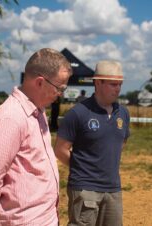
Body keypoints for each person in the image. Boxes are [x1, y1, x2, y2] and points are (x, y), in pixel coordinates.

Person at [0, 48, 72, 225]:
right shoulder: (12, 118)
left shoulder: (38, 111)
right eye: (59, 88)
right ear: (39, 82)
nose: (61, 94)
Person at [54, 60, 130, 226]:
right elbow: (60, 149)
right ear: (98, 83)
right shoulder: (78, 113)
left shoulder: (123, 113)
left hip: (113, 189)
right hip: (85, 189)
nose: (118, 89)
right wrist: (84, 167)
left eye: (120, 84)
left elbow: (121, 143)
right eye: (113, 84)